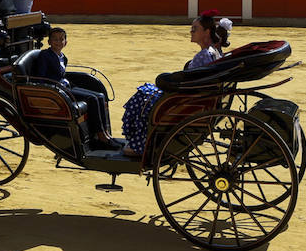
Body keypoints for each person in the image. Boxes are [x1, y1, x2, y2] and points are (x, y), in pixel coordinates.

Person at [121, 12, 234, 157]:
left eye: (195, 28)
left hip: (186, 100)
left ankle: (139, 146)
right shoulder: (213, 52)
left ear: (206, 32)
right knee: (146, 92)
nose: (191, 32)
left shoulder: (204, 55)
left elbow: (188, 83)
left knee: (143, 96)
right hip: (197, 98)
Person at [27, 27, 122, 150]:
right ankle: (101, 137)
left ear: (66, 42)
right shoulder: (45, 56)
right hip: (57, 90)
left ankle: (105, 134)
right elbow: (41, 77)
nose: (58, 42)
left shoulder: (62, 57)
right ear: (49, 42)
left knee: (100, 96)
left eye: (61, 39)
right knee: (92, 98)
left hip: (66, 86)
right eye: (55, 39)